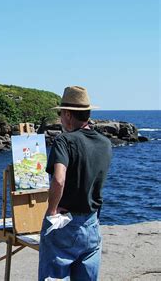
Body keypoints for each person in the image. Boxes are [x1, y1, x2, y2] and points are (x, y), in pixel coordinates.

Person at [38, 86, 112, 281]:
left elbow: (59, 179)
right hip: (92, 223)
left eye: (61, 113)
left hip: (65, 223)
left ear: (69, 115)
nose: (61, 118)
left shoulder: (64, 141)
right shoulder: (105, 143)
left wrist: (52, 210)